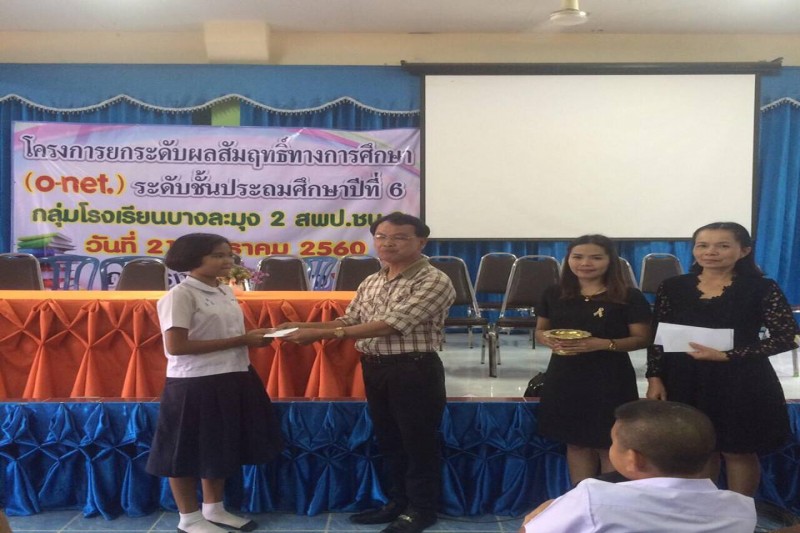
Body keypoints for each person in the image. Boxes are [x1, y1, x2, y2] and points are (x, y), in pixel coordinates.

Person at [279, 212, 455, 533]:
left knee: (417, 442)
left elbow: (392, 325)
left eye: (399, 237)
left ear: (421, 242)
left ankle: (421, 510)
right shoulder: (373, 279)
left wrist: (323, 334)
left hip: (413, 370)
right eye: (381, 237)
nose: (388, 243)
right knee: (389, 440)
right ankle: (397, 503)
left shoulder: (433, 280)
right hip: (375, 367)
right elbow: (350, 320)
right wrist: (302, 325)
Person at [146, 233, 283, 533]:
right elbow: (177, 346)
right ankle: (189, 517)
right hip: (194, 382)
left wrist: (255, 338)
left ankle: (214, 508)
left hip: (233, 374)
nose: (227, 261)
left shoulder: (224, 290)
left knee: (219, 444)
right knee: (184, 450)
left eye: (229, 255)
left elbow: (226, 334)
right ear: (194, 258)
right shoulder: (180, 295)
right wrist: (242, 340)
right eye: (217, 256)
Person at [646, 222, 795, 496]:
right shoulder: (673, 286)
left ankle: (739, 513)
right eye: (703, 245)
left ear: (744, 250)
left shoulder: (761, 287)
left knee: (738, 450)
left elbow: (786, 337)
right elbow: (658, 335)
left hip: (741, 379)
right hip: (685, 377)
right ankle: (706, 513)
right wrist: (654, 377)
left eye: (722, 246)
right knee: (698, 450)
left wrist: (727, 355)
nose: (710, 252)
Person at [521, 399, 757, 533]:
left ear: (634, 459)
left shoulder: (593, 498)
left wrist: (538, 516)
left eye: (614, 443)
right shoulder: (741, 510)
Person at [535, 234, 652, 485]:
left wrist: (603, 344)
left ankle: (611, 501)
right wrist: (547, 339)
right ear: (568, 259)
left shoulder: (629, 296)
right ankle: (583, 499)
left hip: (609, 377)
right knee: (575, 443)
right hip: (564, 376)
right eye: (577, 257)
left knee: (609, 443)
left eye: (596, 258)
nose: (585, 263)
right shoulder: (554, 293)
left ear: (610, 261)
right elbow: (540, 330)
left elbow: (642, 338)